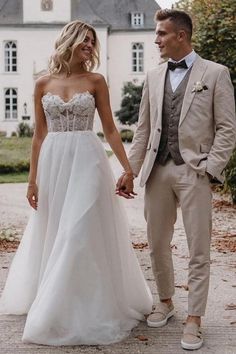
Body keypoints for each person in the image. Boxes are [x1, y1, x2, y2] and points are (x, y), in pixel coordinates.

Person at [0, 20, 153, 346]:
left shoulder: (96, 80)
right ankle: (62, 300)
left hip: (87, 159)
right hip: (55, 162)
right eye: (85, 41)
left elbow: (111, 129)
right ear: (69, 41)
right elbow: (39, 135)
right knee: (57, 228)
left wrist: (128, 169)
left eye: (92, 42)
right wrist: (31, 180)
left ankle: (79, 308)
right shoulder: (42, 83)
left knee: (78, 229)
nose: (90, 47)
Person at [117, 9, 236, 351]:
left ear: (180, 36)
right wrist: (130, 170)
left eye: (161, 34)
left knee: (198, 248)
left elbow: (227, 128)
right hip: (157, 170)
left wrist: (211, 168)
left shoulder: (215, 73)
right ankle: (166, 301)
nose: (156, 40)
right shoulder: (152, 77)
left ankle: (195, 319)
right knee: (156, 243)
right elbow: (142, 130)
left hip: (195, 171)